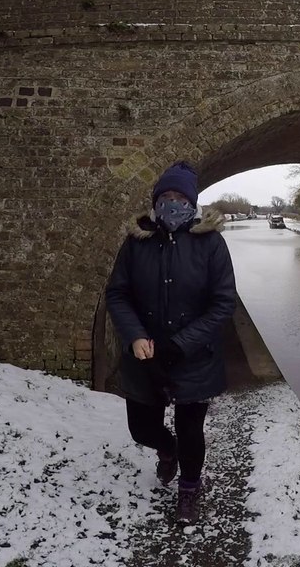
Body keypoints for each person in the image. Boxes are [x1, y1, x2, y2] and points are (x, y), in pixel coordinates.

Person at [104, 161, 238, 523]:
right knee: (142, 428)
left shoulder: (210, 244)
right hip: (143, 357)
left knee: (191, 429)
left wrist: (182, 343)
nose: (173, 202)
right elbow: (117, 294)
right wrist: (134, 336)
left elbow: (223, 302)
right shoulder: (136, 243)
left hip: (194, 357)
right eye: (167, 196)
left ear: (192, 203)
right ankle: (167, 450)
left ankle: (189, 493)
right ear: (156, 200)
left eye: (181, 197)